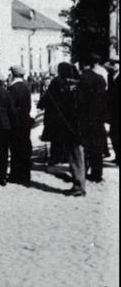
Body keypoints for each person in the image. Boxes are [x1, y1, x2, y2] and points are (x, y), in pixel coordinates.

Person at [38, 62, 86, 196]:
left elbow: (45, 100)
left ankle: (79, 186)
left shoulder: (57, 83)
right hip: (78, 124)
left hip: (66, 125)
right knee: (78, 154)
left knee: (74, 155)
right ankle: (79, 182)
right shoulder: (77, 83)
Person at [78, 54, 109, 182]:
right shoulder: (100, 78)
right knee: (97, 146)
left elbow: (79, 101)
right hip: (99, 118)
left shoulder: (83, 80)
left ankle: (83, 171)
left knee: (85, 146)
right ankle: (97, 173)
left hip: (85, 118)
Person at [7, 65, 33, 185]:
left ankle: (15, 175)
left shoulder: (13, 88)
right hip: (25, 122)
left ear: (13, 74)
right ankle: (25, 175)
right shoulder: (26, 87)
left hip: (15, 123)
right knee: (25, 148)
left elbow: (11, 108)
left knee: (15, 149)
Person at [107, 57, 119, 164]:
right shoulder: (110, 76)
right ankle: (118, 156)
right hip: (114, 111)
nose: (112, 66)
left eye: (114, 64)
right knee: (113, 133)